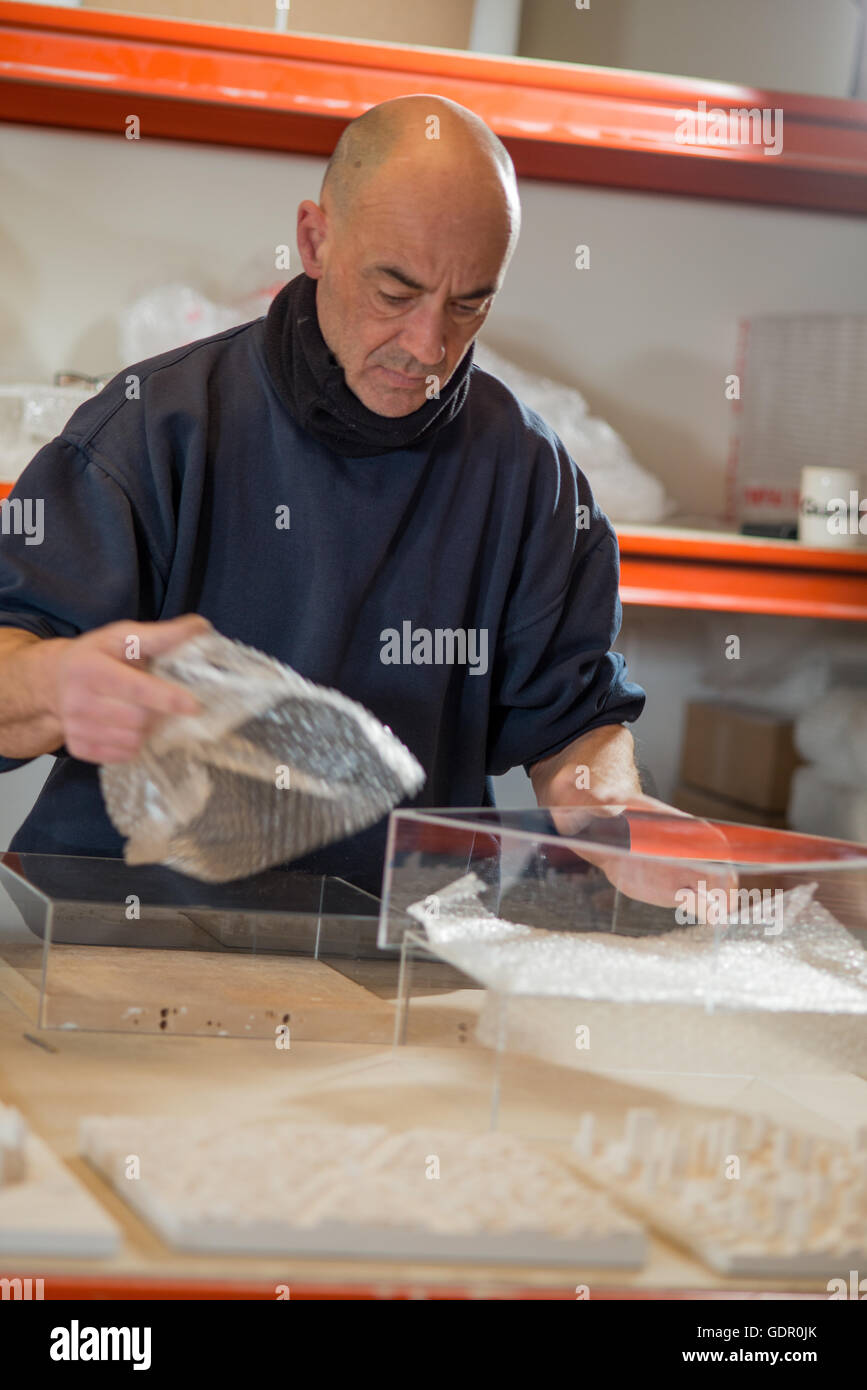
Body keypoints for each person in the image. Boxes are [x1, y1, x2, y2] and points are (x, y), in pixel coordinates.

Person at [0, 94, 663, 899]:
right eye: (395, 291)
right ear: (314, 240)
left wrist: (617, 820)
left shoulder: (528, 473)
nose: (428, 347)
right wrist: (55, 684)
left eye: (468, 304)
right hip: (130, 931)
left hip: (398, 950)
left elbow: (574, 727)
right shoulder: (151, 429)